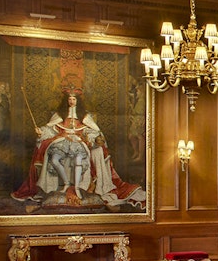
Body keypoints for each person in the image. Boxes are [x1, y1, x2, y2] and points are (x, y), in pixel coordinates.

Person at [12, 89, 146, 209]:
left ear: (77, 101)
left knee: (78, 159)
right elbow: (50, 129)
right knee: (53, 158)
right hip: (61, 142)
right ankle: (65, 183)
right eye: (69, 99)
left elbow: (94, 131)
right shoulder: (60, 115)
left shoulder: (84, 116)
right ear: (67, 100)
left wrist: (92, 138)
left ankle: (76, 187)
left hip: (79, 143)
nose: (71, 101)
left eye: (74, 99)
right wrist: (41, 132)